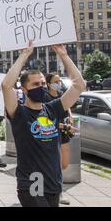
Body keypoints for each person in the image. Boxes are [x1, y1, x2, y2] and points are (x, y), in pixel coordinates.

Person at [1, 43, 85, 207]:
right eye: (35, 84)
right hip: (32, 185)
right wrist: (24, 55)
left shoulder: (53, 108)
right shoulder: (19, 112)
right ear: (24, 89)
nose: (41, 87)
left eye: (42, 84)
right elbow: (6, 86)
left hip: (54, 183)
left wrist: (63, 55)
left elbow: (79, 85)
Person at [45, 72, 74, 206]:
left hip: (64, 132)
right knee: (54, 164)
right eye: (56, 81)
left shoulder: (62, 95)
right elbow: (44, 118)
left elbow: (67, 106)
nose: (59, 84)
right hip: (51, 134)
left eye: (60, 81)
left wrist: (70, 116)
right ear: (49, 83)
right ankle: (57, 192)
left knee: (64, 164)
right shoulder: (45, 97)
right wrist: (60, 124)